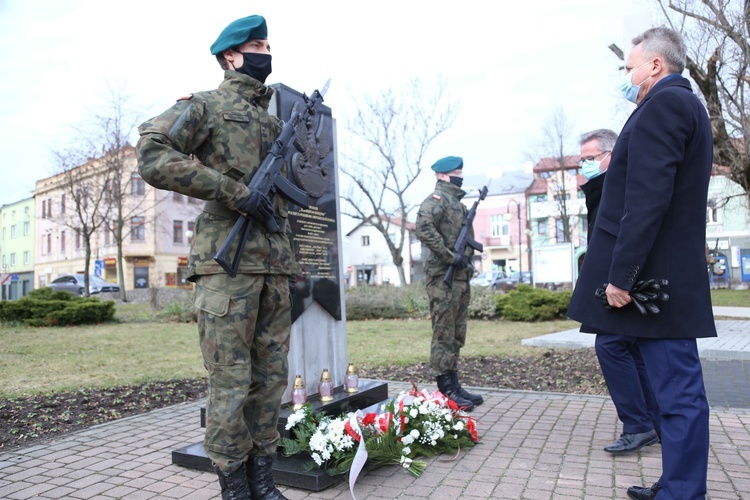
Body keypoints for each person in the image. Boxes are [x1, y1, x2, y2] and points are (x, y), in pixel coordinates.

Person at [136, 15, 293, 500]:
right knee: (231, 380)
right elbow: (152, 153)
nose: (267, 52)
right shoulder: (204, 106)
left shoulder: (272, 120)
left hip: (273, 266)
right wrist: (231, 191)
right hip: (226, 268)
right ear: (231, 56)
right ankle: (234, 487)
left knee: (270, 380)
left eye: (268, 43)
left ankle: (263, 480)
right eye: (257, 45)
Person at [568, 27, 716, 500]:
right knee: (674, 394)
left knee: (678, 396)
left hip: (656, 282)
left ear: (655, 65)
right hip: (663, 278)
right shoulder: (681, 104)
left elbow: (648, 199)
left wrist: (622, 275)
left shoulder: (666, 104)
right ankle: (678, 484)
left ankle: (683, 492)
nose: (627, 75)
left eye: (630, 66)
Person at [579, 129, 661, 454]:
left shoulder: (620, 184)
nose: (584, 165)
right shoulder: (601, 186)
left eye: (590, 158)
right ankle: (651, 423)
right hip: (618, 281)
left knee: (611, 346)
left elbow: (627, 232)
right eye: (581, 160)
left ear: (610, 155)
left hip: (623, 282)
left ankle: (640, 425)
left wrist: (620, 280)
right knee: (631, 349)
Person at [415, 156, 483, 411]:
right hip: (442, 278)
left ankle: (454, 384)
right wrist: (448, 255)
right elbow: (423, 228)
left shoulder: (457, 204)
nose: (460, 176)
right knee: (443, 333)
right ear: (441, 176)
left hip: (460, 277)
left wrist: (466, 262)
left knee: (456, 333)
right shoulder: (437, 201)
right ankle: (446, 389)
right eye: (455, 172)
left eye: (461, 172)